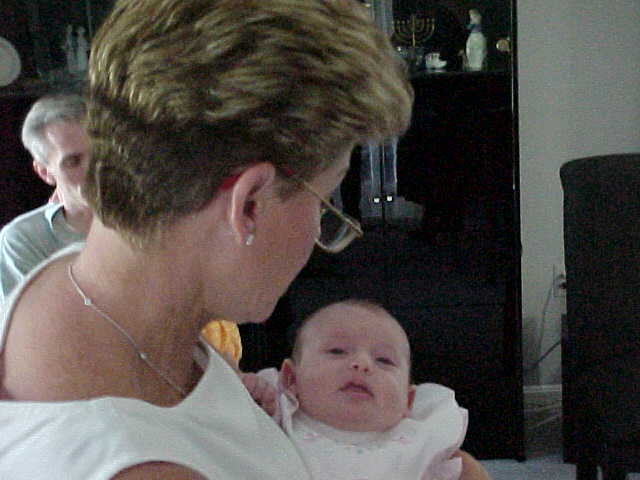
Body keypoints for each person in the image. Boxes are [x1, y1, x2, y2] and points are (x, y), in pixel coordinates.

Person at [0, 0, 413, 478]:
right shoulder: (148, 466)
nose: (319, 232)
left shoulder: (85, 284)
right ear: (250, 203)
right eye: (323, 201)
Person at [243, 299, 492, 480]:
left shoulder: (422, 443)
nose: (362, 364)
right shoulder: (278, 416)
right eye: (337, 351)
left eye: (384, 360)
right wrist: (248, 391)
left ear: (408, 400)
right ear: (290, 379)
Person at [0, 93, 92, 305]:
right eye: (73, 161)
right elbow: (25, 332)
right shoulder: (23, 240)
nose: (95, 170)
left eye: (101, 154)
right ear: (44, 172)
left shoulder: (151, 217)